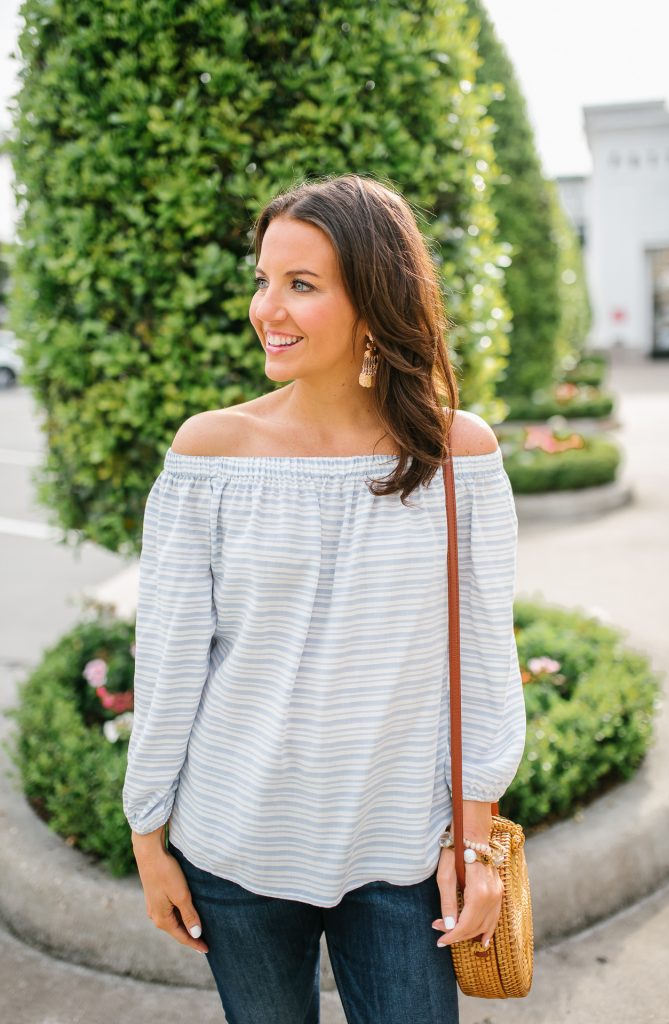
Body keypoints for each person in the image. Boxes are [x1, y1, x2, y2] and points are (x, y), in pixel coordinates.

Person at [122, 173, 527, 1024]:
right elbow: (168, 663)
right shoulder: (212, 453)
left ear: (375, 303)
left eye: (302, 285)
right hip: (234, 845)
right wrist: (147, 836)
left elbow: (485, 660)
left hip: (403, 852)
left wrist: (478, 844)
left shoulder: (459, 455)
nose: (269, 307)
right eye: (264, 280)